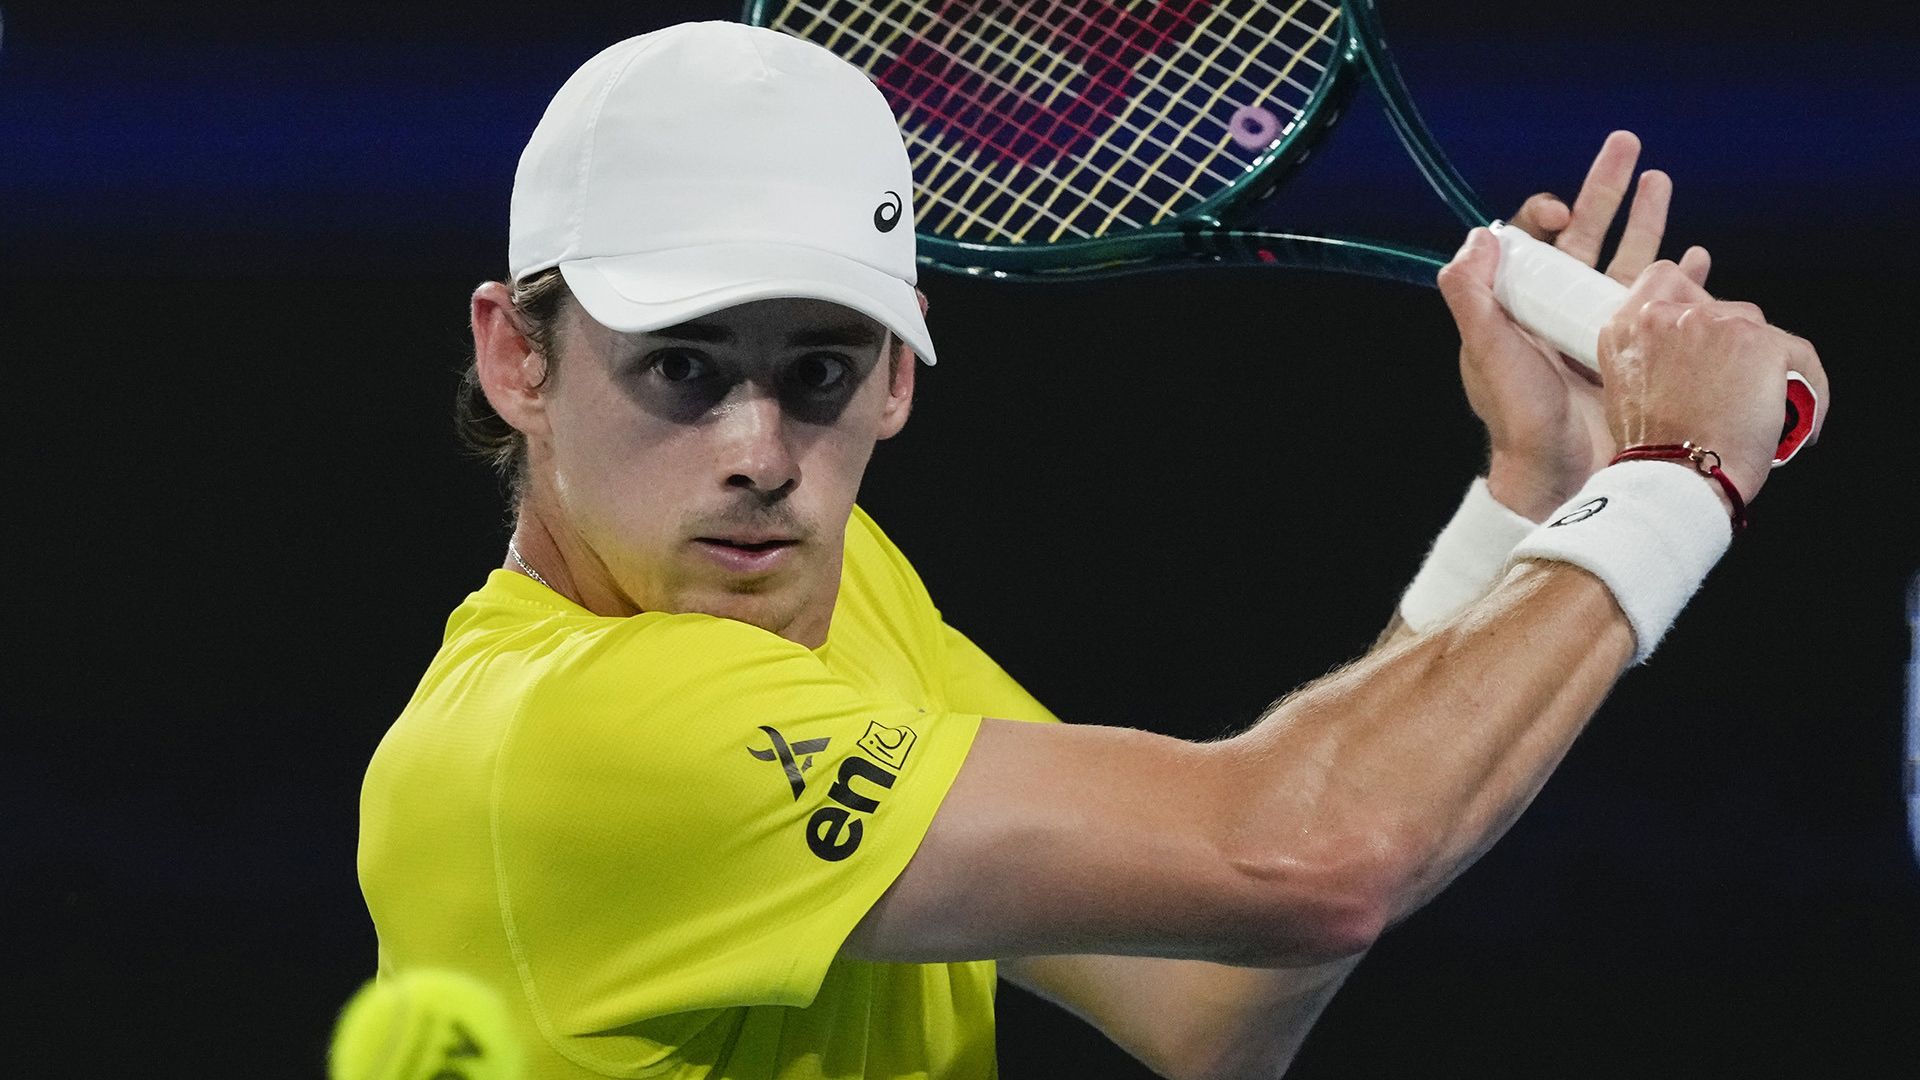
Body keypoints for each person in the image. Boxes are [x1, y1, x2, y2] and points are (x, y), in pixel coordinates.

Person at [354, 20, 1828, 1080]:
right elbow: (1307, 859)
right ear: (516, 360)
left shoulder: (829, 584)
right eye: (679, 370)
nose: (757, 451)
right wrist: (1678, 473)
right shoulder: (563, 738)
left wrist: (1538, 492)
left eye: (817, 370)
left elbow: (1208, 997)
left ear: (899, 379)